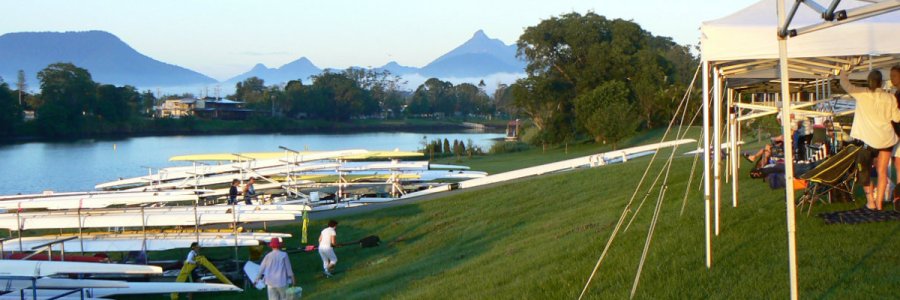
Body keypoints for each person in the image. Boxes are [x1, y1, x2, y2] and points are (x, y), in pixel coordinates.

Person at [839, 67, 900, 211]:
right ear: (881, 83)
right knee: (882, 171)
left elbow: (845, 85)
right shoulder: (890, 97)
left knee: (863, 169)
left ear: (869, 82)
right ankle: (879, 203)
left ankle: (870, 202)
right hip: (886, 139)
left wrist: (843, 72)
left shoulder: (862, 94)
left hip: (868, 141)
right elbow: (897, 118)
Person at [890, 65, 900, 211]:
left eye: (894, 75)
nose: (891, 78)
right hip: (897, 135)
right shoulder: (896, 93)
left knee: (898, 164)